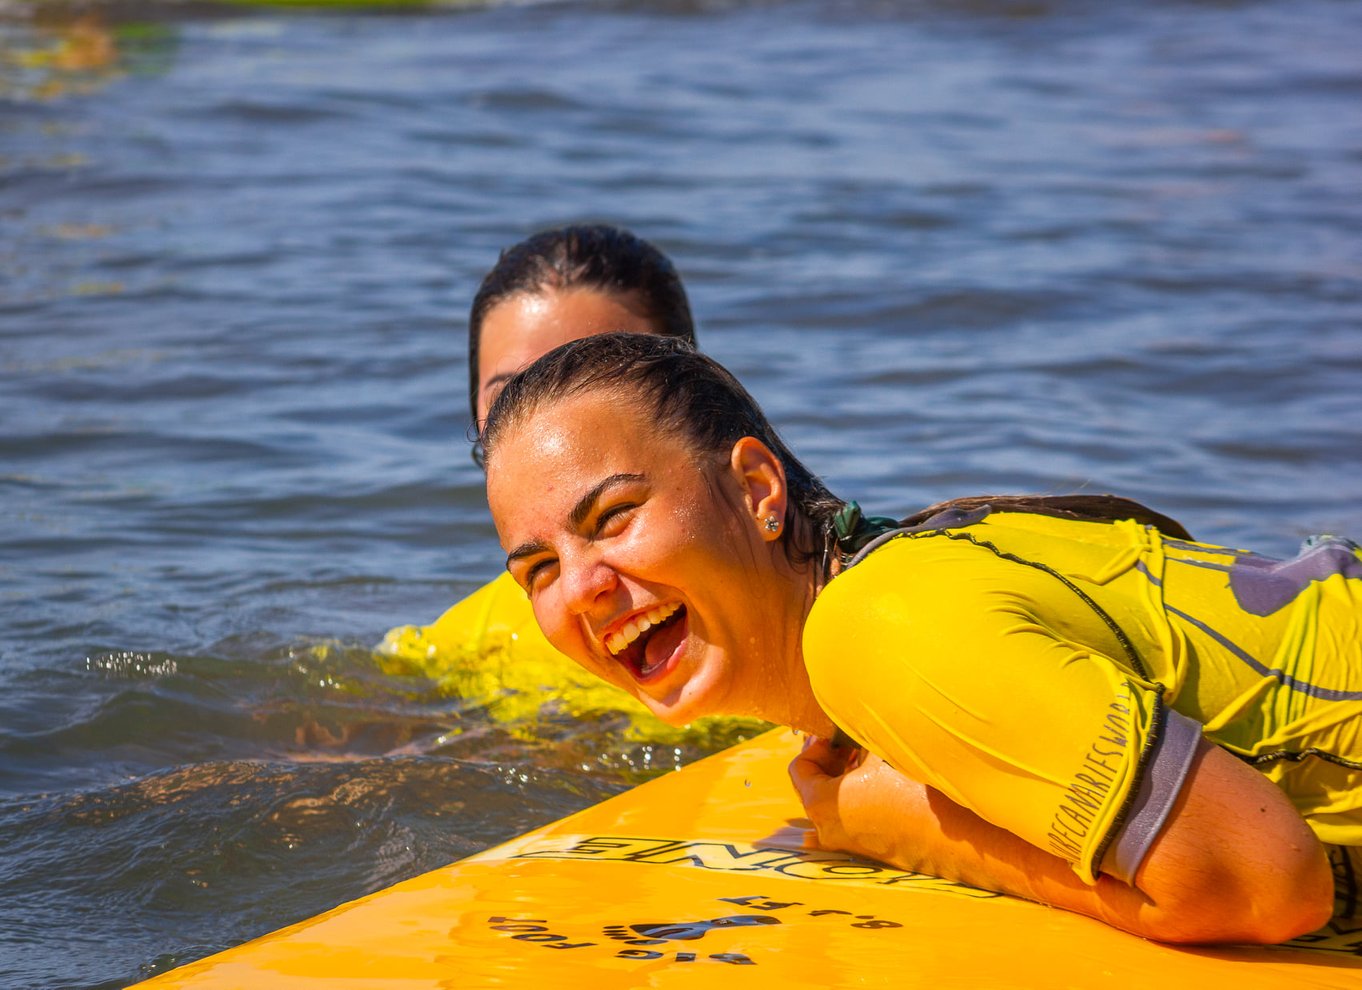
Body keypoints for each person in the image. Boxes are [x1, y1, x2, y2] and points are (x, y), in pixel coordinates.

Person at [479, 331, 1360, 944]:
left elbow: (1266, 885)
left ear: (756, 488)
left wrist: (914, 833)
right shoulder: (910, 569)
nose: (585, 590)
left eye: (616, 517)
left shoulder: (880, 626)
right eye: (539, 570)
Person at [378, 226, 758, 744]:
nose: (552, 414)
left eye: (595, 369)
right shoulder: (460, 651)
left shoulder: (821, 606)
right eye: (513, 392)